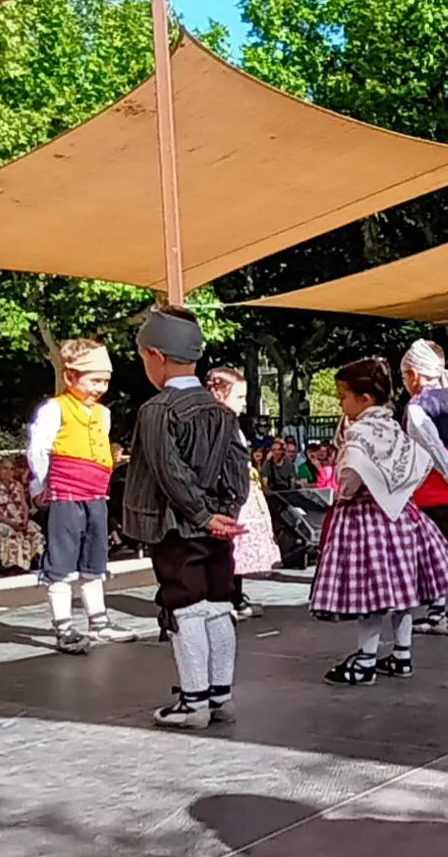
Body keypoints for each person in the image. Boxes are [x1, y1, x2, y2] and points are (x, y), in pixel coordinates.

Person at [122, 306, 247, 729]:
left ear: (156, 356)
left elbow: (168, 470)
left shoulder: (157, 410)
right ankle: (221, 695)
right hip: (217, 529)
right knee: (219, 604)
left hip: (176, 526)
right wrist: (226, 513)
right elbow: (237, 466)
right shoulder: (221, 411)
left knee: (185, 607)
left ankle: (193, 701)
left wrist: (201, 514)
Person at [310, 357, 448, 685]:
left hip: (365, 521)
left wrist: (344, 489)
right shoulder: (393, 426)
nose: (340, 403)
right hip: (404, 520)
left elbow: (350, 480)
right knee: (402, 594)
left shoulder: (359, 432)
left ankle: (365, 661)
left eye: (343, 396)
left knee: (372, 596)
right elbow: (415, 462)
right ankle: (402, 655)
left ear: (364, 398)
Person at [24, 339, 137, 653]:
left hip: (95, 495)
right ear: (70, 377)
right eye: (93, 380)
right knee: (61, 561)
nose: (99, 388)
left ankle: (99, 622)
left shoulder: (103, 414)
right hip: (65, 494)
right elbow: (39, 449)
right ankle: (63, 627)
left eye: (104, 381)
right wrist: (41, 487)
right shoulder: (55, 409)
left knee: (95, 559)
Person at [396, 341, 448, 636]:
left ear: (414, 374)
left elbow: (431, 445)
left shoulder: (417, 407)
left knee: (434, 548)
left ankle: (437, 612)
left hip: (432, 482)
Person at [207, 368, 282, 621]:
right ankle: (225, 597)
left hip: (239, 491)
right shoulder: (215, 423)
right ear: (219, 393)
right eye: (238, 397)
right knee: (226, 547)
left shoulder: (233, 424)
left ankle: (235, 594)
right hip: (225, 494)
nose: (243, 404)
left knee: (235, 548)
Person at [0, 457, 45, 572]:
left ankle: (35, 560)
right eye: (5, 468)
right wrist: (11, 523)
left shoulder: (17, 485)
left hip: (20, 519)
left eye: (12, 469)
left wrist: (25, 519)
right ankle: (13, 564)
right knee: (12, 534)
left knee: (35, 532)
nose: (8, 472)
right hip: (2, 520)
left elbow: (24, 505)